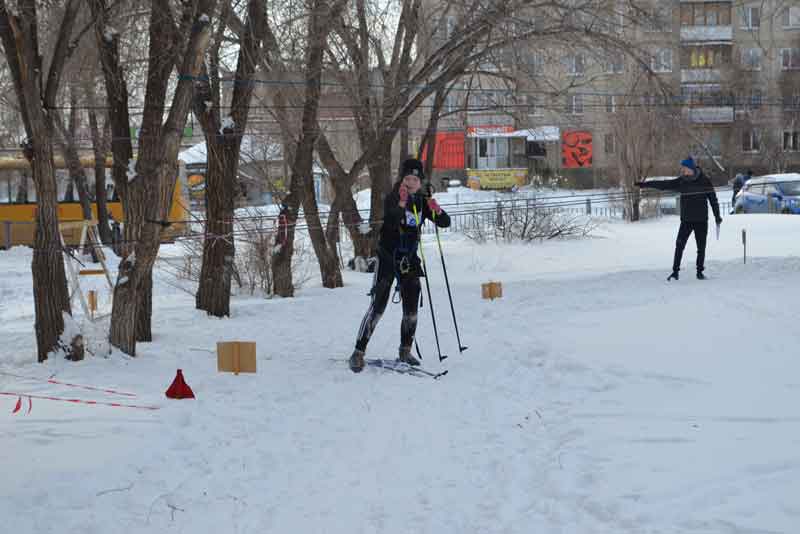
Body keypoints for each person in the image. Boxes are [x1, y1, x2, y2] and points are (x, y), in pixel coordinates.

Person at [349, 159, 451, 373]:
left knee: (412, 308)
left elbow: (445, 223)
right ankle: (358, 352)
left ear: (420, 181)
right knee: (378, 307)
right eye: (407, 179)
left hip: (409, 259)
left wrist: (437, 210)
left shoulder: (422, 200)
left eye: (415, 179)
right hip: (388, 257)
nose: (411, 182)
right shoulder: (393, 197)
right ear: (402, 180)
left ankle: (405, 350)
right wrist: (402, 203)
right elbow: (392, 221)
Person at [636, 156, 722, 281]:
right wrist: (645, 185)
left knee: (701, 247)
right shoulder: (682, 181)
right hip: (686, 220)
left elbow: (713, 200)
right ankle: (675, 272)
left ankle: (699, 272)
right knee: (679, 246)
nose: (683, 170)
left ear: (691, 168)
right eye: (683, 168)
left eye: (685, 168)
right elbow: (664, 185)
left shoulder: (704, 181)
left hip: (701, 220)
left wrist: (717, 216)